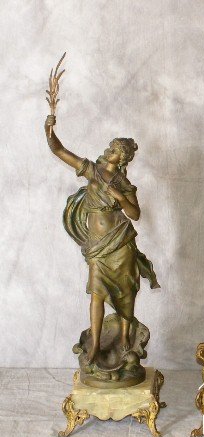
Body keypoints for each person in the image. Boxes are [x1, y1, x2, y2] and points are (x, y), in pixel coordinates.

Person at [45, 115, 159, 364]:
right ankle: (95, 344)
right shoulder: (92, 171)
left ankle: (125, 337)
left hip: (121, 242)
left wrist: (120, 197)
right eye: (111, 146)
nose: (109, 150)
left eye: (115, 149)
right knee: (96, 294)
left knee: (126, 290)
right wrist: (49, 128)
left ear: (123, 158)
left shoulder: (123, 183)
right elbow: (59, 150)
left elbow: (135, 214)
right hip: (98, 245)